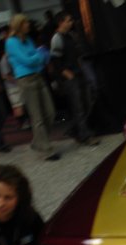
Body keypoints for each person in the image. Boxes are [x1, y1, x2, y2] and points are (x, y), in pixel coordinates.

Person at [5, 14, 60, 161]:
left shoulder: (28, 39)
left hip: (38, 76)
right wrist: (39, 55)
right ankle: (47, 150)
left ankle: (37, 142)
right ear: (19, 25)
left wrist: (36, 57)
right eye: (26, 23)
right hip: (26, 80)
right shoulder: (11, 42)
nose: (28, 25)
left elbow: (35, 59)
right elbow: (28, 60)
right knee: (37, 117)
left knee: (50, 112)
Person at [50, 12, 99, 146]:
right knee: (79, 107)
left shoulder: (70, 35)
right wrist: (66, 73)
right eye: (68, 20)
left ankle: (77, 131)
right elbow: (55, 60)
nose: (71, 22)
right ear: (61, 22)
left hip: (79, 73)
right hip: (71, 76)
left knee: (86, 103)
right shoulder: (57, 38)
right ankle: (85, 135)